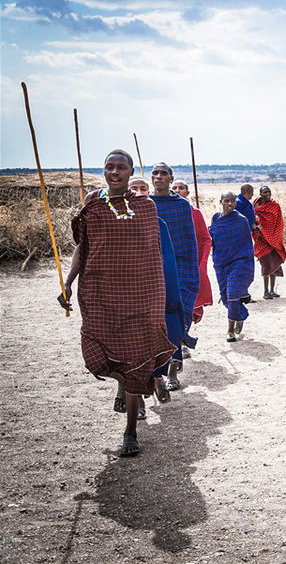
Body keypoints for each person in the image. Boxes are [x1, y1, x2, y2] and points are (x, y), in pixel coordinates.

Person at [58, 150, 175, 457]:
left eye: (120, 167)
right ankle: (131, 380)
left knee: (135, 356)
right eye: (109, 167)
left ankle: (130, 432)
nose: (114, 172)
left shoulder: (145, 207)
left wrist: (156, 298)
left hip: (139, 294)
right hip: (101, 293)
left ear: (130, 171)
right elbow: (83, 248)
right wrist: (68, 282)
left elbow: (153, 257)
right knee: (96, 357)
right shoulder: (93, 206)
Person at [129, 178, 183, 419]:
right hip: (124, 295)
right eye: (134, 188)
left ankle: (157, 376)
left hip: (154, 295)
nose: (139, 193)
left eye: (144, 189)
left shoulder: (158, 224)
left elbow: (168, 266)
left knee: (159, 338)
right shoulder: (111, 223)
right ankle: (136, 396)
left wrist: (170, 301)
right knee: (129, 348)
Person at [150, 163, 199, 390]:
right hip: (153, 273)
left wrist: (190, 278)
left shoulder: (181, 207)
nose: (158, 177)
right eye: (155, 173)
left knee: (176, 322)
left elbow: (190, 244)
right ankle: (157, 374)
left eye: (163, 174)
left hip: (180, 272)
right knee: (156, 325)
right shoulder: (145, 206)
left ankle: (172, 373)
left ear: (171, 178)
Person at [210, 192, 256, 342]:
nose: (230, 204)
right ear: (221, 201)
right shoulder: (216, 218)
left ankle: (230, 330)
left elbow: (247, 245)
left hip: (239, 263)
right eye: (226, 201)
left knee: (233, 293)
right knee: (226, 298)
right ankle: (240, 314)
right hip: (221, 263)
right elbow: (213, 236)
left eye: (233, 202)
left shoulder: (241, 220)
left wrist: (246, 264)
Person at [171, 180, 213, 331]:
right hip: (169, 265)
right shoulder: (160, 210)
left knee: (187, 304)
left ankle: (183, 340)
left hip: (189, 266)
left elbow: (205, 239)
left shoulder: (195, 213)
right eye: (174, 188)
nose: (177, 190)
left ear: (187, 193)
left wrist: (201, 265)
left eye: (181, 188)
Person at [252, 185, 286, 299]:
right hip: (261, 240)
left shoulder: (275, 206)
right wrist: (258, 228)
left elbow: (280, 222)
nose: (267, 194)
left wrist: (274, 237)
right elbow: (253, 220)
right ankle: (265, 291)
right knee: (266, 265)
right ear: (260, 194)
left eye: (269, 192)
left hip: (274, 239)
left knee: (275, 264)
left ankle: (272, 290)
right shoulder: (255, 205)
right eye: (265, 192)